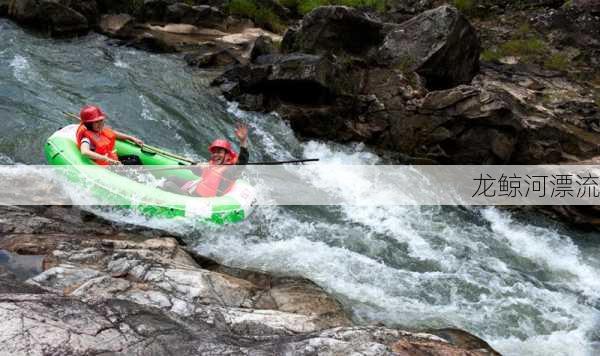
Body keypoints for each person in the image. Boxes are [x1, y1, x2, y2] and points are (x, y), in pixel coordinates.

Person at [163, 123, 249, 197]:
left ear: (227, 154)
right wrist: (194, 167)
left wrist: (243, 142)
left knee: (169, 185)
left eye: (219, 152)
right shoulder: (213, 165)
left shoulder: (230, 171)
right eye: (214, 152)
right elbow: (200, 173)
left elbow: (242, 162)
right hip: (195, 190)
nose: (216, 155)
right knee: (172, 178)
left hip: (202, 201)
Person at [76, 105, 144, 166]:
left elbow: (114, 133)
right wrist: (105, 159)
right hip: (103, 164)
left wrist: (131, 138)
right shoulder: (86, 139)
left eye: (101, 120)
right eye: (96, 122)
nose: (100, 124)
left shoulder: (98, 130)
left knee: (134, 159)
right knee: (132, 164)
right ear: (89, 124)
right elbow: (84, 152)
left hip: (110, 159)